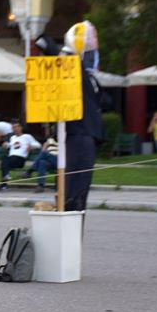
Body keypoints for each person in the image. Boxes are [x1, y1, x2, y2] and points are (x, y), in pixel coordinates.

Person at [62, 20, 105, 212]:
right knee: (74, 189)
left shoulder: (90, 76)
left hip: (88, 135)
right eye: (92, 36)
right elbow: (46, 45)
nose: (96, 41)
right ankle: (70, 227)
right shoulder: (74, 66)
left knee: (81, 191)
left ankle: (75, 231)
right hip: (78, 134)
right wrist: (71, 47)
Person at [0, 121, 41, 190]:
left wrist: (31, 146)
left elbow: (38, 145)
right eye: (13, 127)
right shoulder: (12, 138)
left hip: (20, 159)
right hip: (11, 159)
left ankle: (4, 183)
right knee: (5, 159)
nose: (15, 129)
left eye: (17, 127)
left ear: (21, 128)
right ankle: (4, 181)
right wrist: (6, 145)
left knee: (6, 161)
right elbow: (11, 145)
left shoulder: (27, 136)